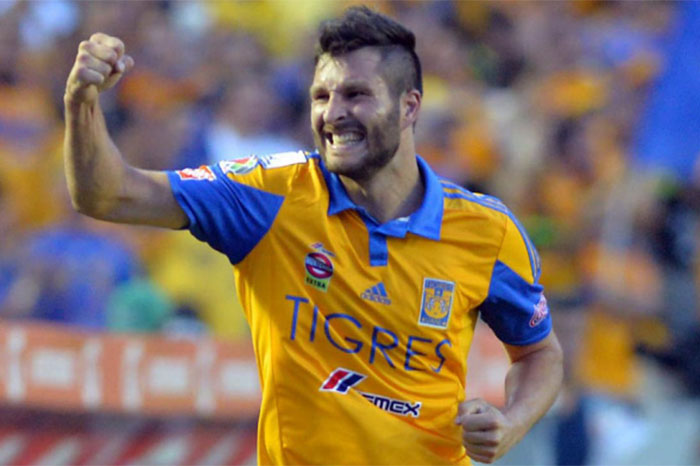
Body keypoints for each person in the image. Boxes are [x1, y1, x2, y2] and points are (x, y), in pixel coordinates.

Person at [63, 6, 563, 465]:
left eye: (356, 95)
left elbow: (539, 352)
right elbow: (107, 195)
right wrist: (81, 102)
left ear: (409, 107)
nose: (332, 113)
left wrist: (510, 423)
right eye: (321, 96)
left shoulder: (486, 230)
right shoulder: (269, 197)